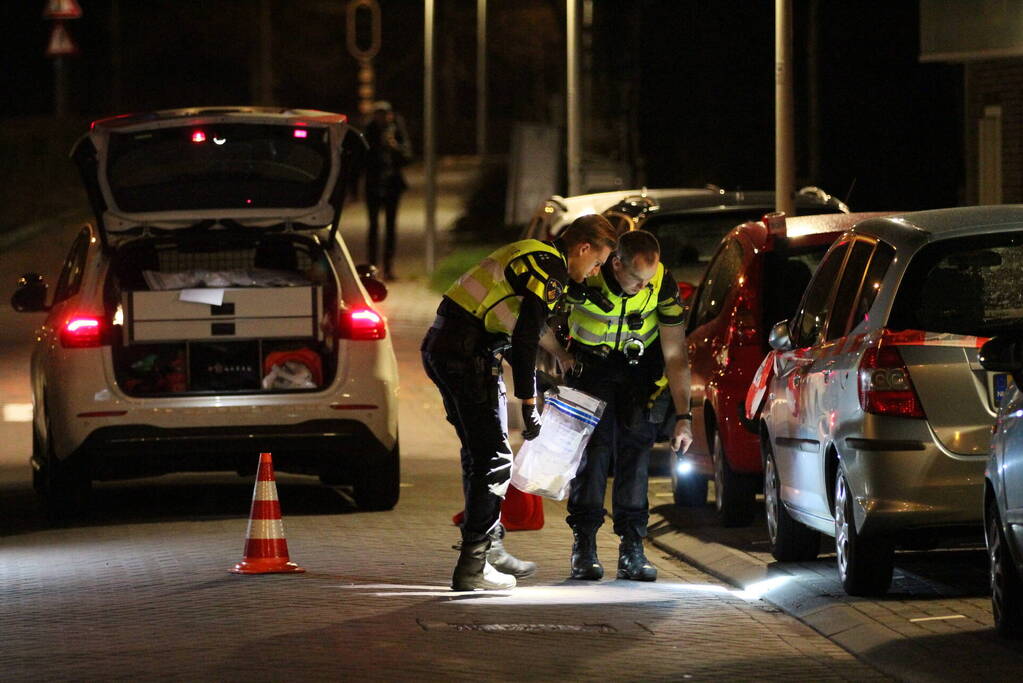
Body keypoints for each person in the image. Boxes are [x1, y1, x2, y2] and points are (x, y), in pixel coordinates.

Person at [422, 215, 617, 591]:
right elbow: (526, 339)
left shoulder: (534, 255)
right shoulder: (550, 270)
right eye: (597, 262)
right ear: (584, 248)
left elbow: (504, 328)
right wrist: (528, 404)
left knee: (482, 456)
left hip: (452, 349)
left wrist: (540, 384)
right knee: (494, 460)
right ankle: (474, 564)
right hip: (466, 357)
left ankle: (485, 547)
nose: (594, 271)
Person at [541, 229, 693, 582]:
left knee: (636, 461)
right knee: (593, 459)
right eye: (635, 279)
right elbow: (534, 319)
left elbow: (675, 354)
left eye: (647, 280)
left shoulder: (662, 285)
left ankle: (632, 548)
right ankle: (584, 547)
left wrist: (684, 415)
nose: (642, 287)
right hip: (590, 375)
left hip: (638, 381)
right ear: (616, 262)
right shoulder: (586, 277)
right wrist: (561, 355)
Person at [363, 100, 412, 280]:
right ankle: (371, 268)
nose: (383, 118)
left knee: (391, 228)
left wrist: (394, 146)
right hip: (373, 186)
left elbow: (407, 156)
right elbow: (361, 160)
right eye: (379, 114)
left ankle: (389, 268)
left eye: (386, 114)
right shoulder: (369, 133)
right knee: (373, 227)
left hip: (392, 186)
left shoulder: (396, 131)